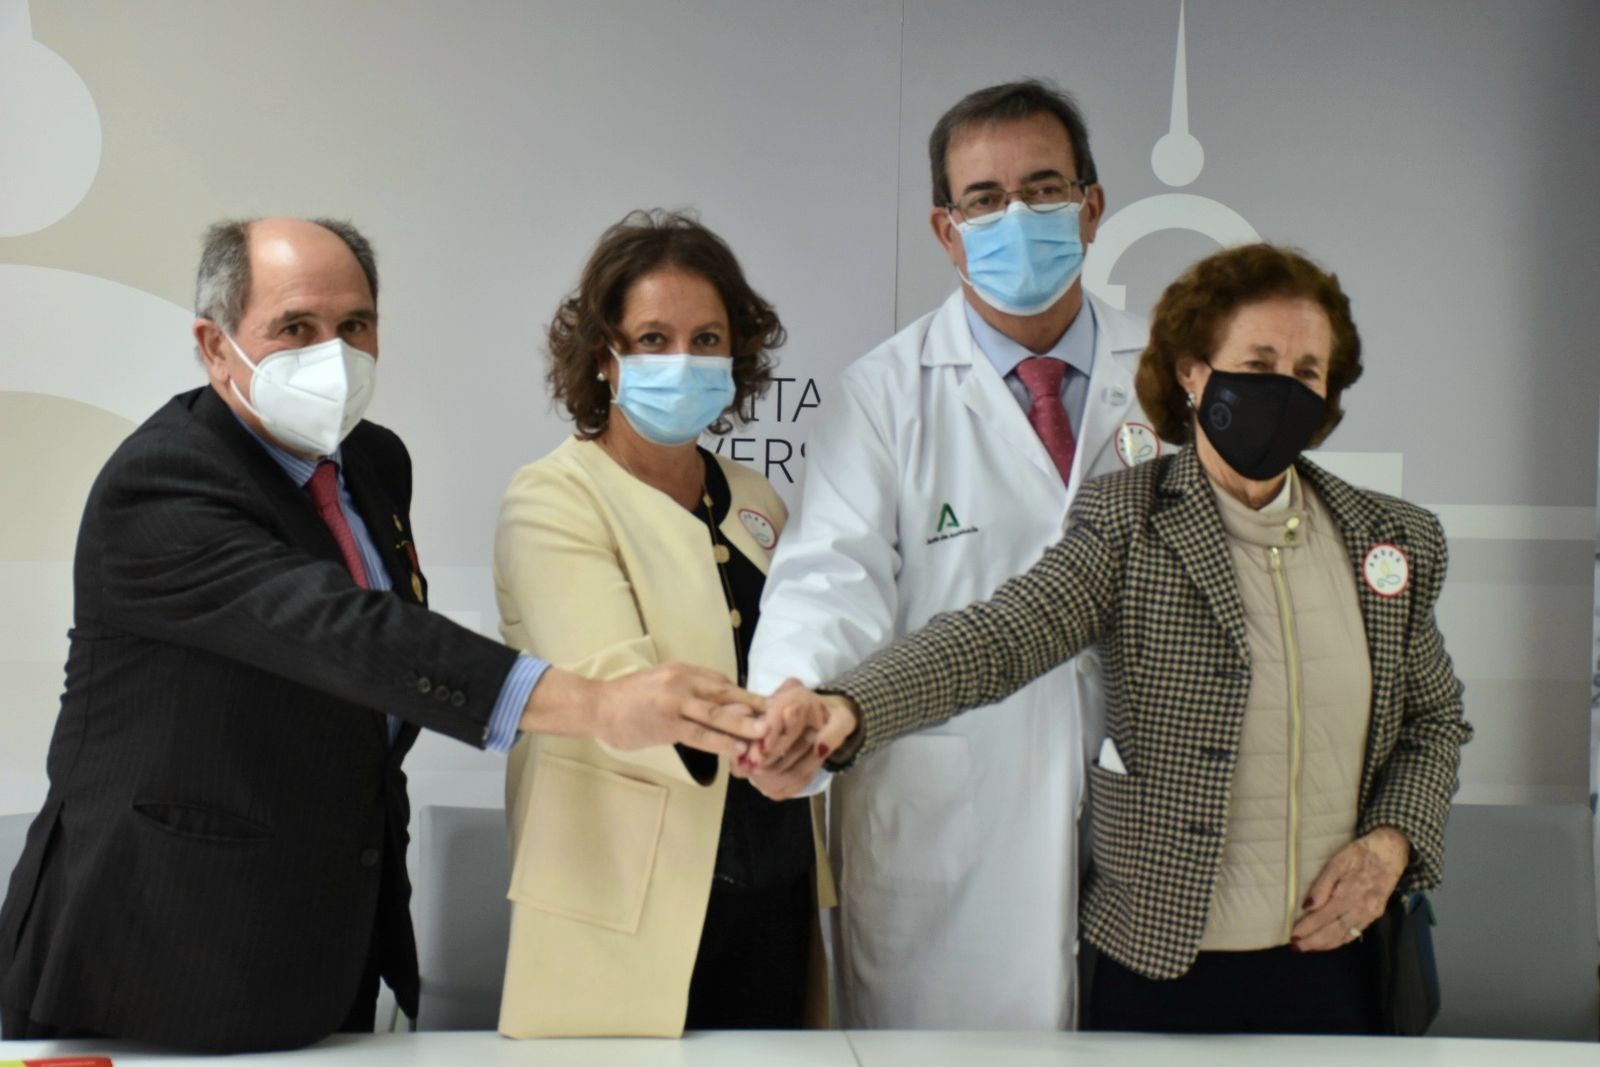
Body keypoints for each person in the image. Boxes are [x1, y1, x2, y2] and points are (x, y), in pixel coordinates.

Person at [0, 217, 769, 1053]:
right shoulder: (163, 482)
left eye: (355, 325)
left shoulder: (372, 460)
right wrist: (597, 702)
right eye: (296, 327)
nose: (333, 353)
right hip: (155, 958)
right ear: (215, 346)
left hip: (322, 947)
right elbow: (350, 634)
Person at [750, 243, 1473, 1035]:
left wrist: (1391, 845)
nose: (1282, 388)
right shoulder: (1130, 520)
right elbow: (999, 638)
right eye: (1258, 361)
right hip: (1167, 972)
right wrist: (846, 707)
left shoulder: (1391, 537)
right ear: (1195, 373)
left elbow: (1432, 722)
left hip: (1340, 966)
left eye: (1306, 372)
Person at [746, 79, 1154, 1030]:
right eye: (984, 199)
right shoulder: (884, 394)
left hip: (1143, 809)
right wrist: (794, 697)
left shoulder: (1172, 375)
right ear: (946, 228)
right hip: (951, 809)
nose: (1016, 216)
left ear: (1092, 207)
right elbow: (829, 575)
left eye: (1045, 189)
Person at [494, 210, 833, 1038]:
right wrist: (789, 727)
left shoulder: (758, 500)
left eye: (707, 338)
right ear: (605, 358)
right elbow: (617, 686)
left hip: (774, 878)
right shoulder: (553, 497)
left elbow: (807, 650)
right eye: (652, 338)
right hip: (621, 888)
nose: (682, 360)